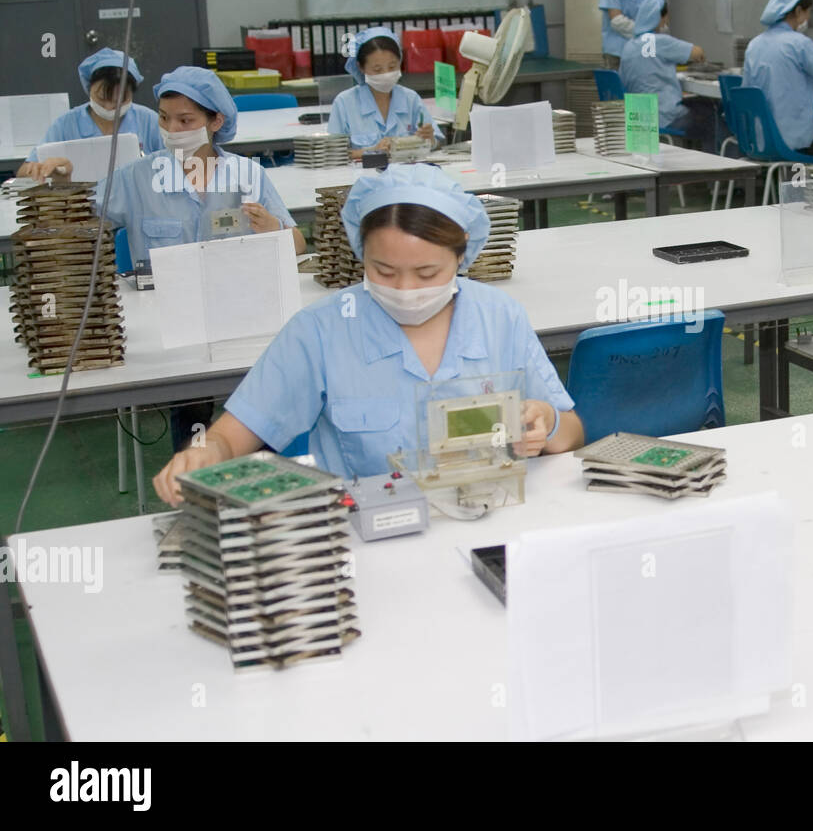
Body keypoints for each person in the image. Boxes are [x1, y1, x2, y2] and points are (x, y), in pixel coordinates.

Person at [152, 164, 585, 504]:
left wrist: (543, 425)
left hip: (489, 518)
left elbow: (570, 430)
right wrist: (204, 453)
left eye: (427, 272)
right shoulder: (320, 331)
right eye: (384, 270)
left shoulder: (499, 318)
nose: (405, 290)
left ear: (463, 252)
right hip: (369, 534)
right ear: (361, 250)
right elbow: (232, 435)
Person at [89, 65, 305, 455]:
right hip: (171, 325)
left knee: (264, 391)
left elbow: (297, 245)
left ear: (215, 121)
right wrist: (58, 177)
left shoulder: (246, 174)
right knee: (192, 408)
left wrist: (273, 227)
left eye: (186, 120)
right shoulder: (137, 177)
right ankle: (197, 480)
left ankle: (259, 477)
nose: (173, 129)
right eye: (164, 118)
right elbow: (77, 213)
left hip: (242, 317)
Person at [20, 48, 164, 180]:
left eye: (120, 101)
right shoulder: (66, 125)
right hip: (81, 205)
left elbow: (178, 164)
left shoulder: (148, 121)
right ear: (89, 89)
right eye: (102, 99)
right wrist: (37, 170)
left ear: (132, 93)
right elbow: (24, 172)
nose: (109, 107)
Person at [741, 0, 813, 156]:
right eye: (808, 12)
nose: (808, 18)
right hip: (796, 142)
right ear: (798, 11)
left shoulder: (754, 45)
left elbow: (746, 93)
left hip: (760, 141)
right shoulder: (800, 44)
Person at [327, 26, 442, 160]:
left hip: (407, 176)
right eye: (377, 69)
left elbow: (436, 144)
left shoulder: (411, 99)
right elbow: (333, 154)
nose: (386, 74)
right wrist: (372, 151)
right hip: (363, 177)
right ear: (360, 67)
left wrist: (430, 138)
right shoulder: (345, 103)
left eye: (392, 66)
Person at [618, 0, 715, 152]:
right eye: (665, 18)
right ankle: (721, 172)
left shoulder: (628, 46)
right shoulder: (660, 41)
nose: (666, 23)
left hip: (639, 118)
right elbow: (697, 52)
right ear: (658, 18)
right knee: (713, 116)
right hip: (665, 117)